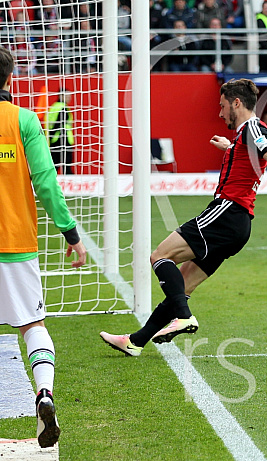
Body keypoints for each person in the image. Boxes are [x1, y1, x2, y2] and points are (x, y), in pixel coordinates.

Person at [100, 79, 267, 356]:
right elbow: (251, 157)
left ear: (236, 103)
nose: (220, 113)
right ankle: (136, 341)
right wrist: (231, 147)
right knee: (182, 283)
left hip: (226, 212)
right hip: (239, 226)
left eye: (223, 106)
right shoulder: (244, 135)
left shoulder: (253, 127)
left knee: (159, 257)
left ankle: (183, 316)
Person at [0, 47, 87, 448]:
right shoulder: (24, 120)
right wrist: (70, 233)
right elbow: (47, 184)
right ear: (9, 79)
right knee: (32, 325)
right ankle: (45, 394)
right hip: (15, 241)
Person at [46, 90, 75, 174]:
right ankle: (70, 185)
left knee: (54, 166)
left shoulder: (53, 107)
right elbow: (58, 124)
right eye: (67, 96)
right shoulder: (63, 108)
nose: (69, 98)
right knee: (66, 166)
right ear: (61, 96)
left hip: (54, 139)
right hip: (63, 139)